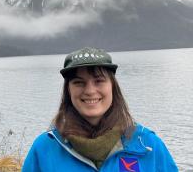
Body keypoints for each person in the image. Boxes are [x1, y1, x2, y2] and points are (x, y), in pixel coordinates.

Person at [22, 47, 178, 171]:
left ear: (112, 87)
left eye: (99, 81)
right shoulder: (44, 149)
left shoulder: (147, 144)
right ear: (68, 91)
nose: (90, 91)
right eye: (78, 82)